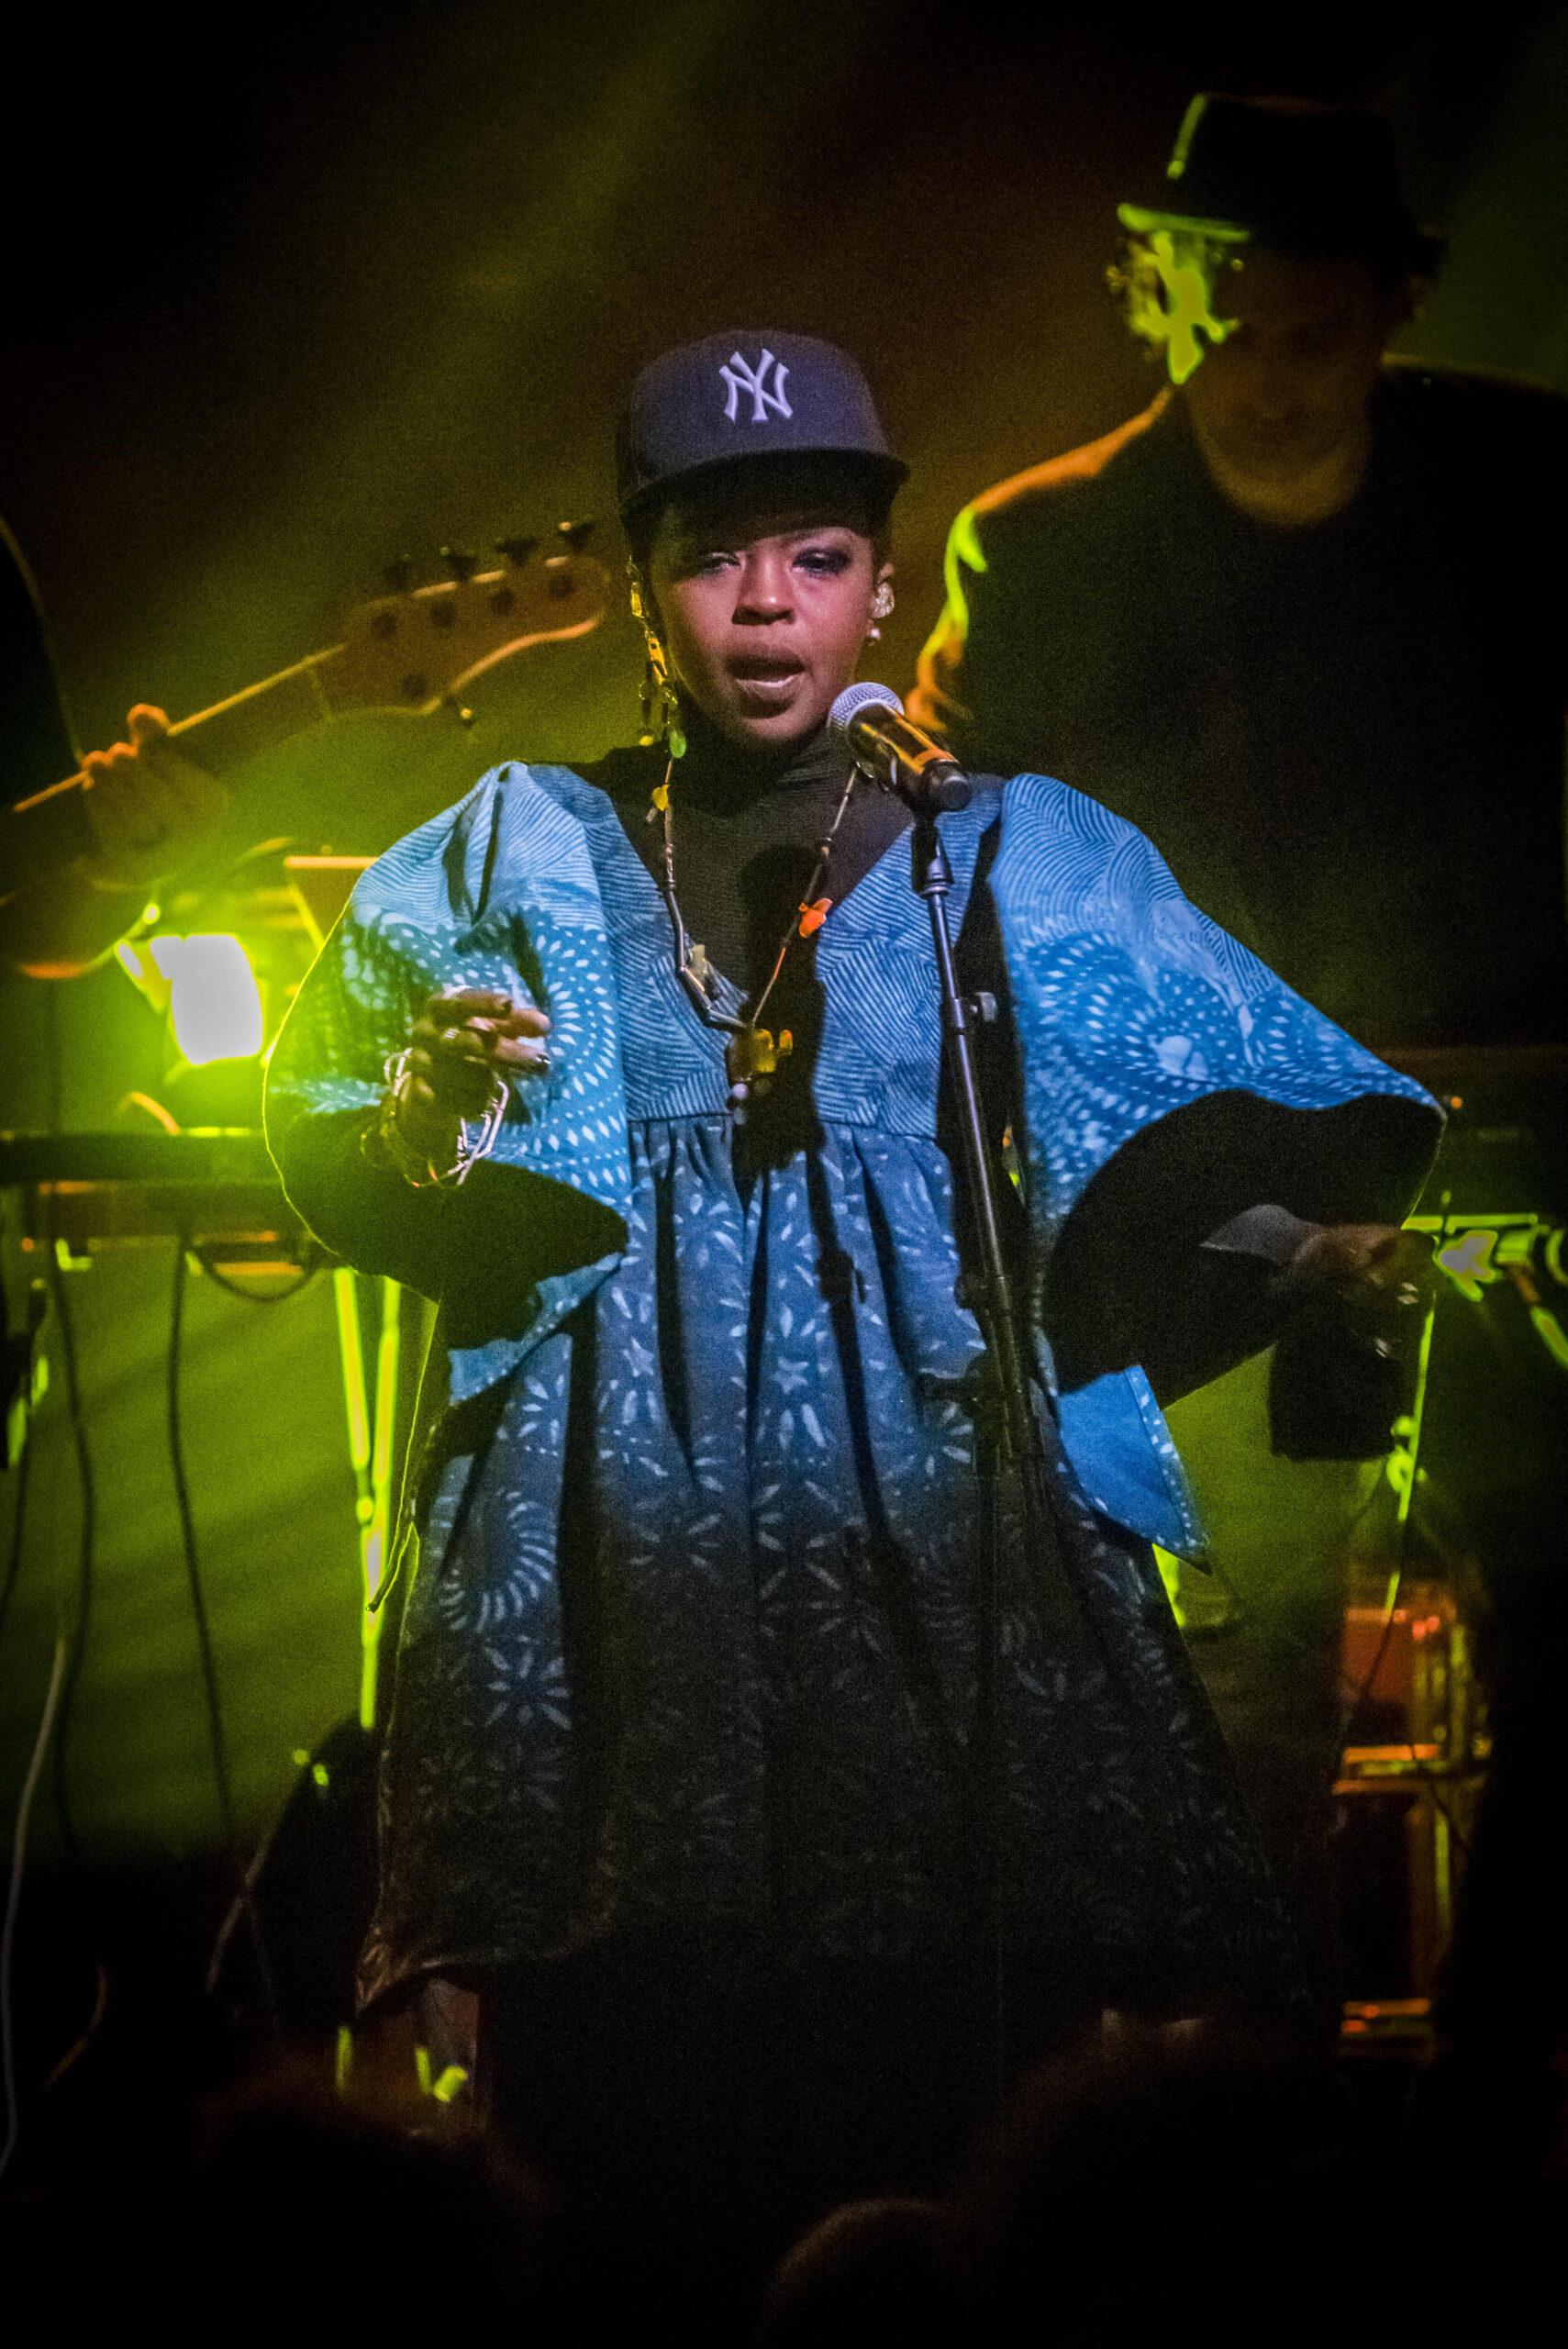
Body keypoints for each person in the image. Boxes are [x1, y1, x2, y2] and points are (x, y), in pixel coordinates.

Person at [262, 328, 1439, 2293]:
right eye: (715, 557)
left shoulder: (1006, 852)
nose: (763, 603)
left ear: (882, 587)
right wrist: (417, 1109)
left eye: (813, 557)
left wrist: (1302, 1258)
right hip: (622, 1633)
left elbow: (1144, 1183)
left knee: (960, 2153)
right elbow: (341, 1159)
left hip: (945, 1611)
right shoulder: (513, 847)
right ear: (645, 588)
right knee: (631, 2171)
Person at [911, 95, 1568, 2076]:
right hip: (1216, 1181)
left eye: (1308, 339)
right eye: (1221, 334)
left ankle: (1500, 2077)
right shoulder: (1048, 551)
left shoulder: (1521, 484)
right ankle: (1234, 2115)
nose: (1265, 385)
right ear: (1157, 298)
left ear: (1391, 311)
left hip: (1497, 1141)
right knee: (1245, 1676)